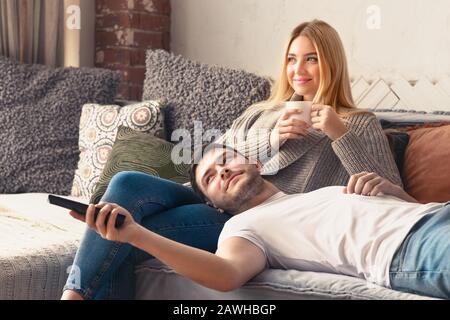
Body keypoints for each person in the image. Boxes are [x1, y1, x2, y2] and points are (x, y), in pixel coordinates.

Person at [62, 19, 403, 300]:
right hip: (211, 196)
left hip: (249, 217)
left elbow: (389, 193)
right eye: (291, 59)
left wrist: (338, 134)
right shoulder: (262, 112)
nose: (299, 69)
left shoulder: (357, 122)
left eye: (311, 58)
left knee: (123, 233)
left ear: (331, 63)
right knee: (125, 183)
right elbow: (211, 159)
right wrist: (272, 139)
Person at [69, 144, 450, 299]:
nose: (221, 171)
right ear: (214, 207)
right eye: (209, 178)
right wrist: (136, 235)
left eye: (226, 160)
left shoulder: (318, 192)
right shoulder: (242, 228)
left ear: (254, 163)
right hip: (409, 249)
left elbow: (418, 208)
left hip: (434, 214)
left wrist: (395, 193)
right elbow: (225, 274)